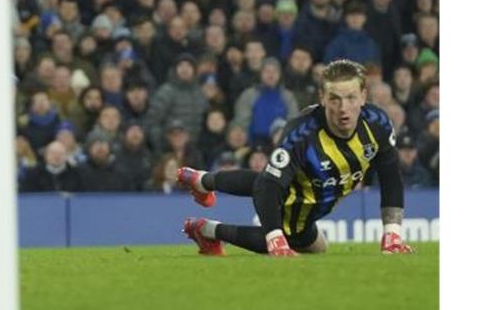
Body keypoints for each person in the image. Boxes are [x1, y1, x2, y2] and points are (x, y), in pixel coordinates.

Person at [177, 59, 414, 256]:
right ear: (322, 97)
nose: (343, 108)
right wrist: (275, 238)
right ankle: (206, 229)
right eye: (335, 99)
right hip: (292, 197)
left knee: (319, 246)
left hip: (312, 196)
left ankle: (202, 180)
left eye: (351, 98)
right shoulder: (301, 134)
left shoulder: (378, 123)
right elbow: (268, 186)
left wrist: (392, 234)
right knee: (296, 238)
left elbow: (391, 176)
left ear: (363, 96)